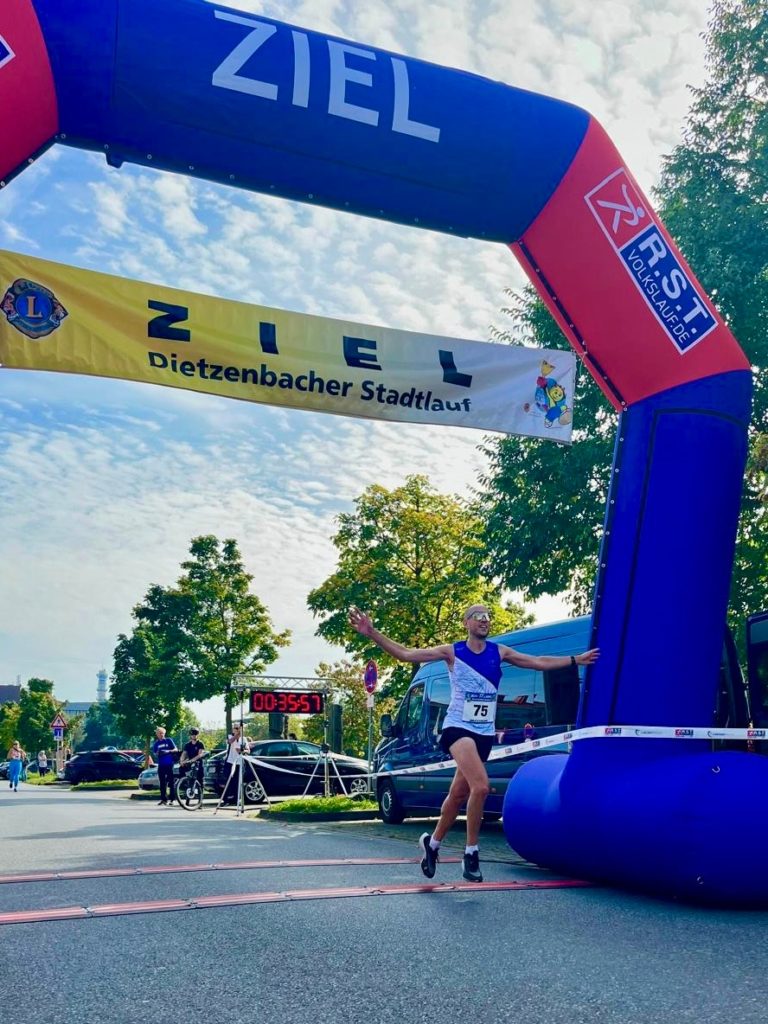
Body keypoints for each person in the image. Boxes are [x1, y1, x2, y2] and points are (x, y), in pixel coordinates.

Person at [349, 603, 599, 883]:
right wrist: (372, 633)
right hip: (457, 728)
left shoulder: (499, 652)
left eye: (487, 616)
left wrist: (576, 660)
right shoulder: (452, 652)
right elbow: (407, 654)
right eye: (478, 616)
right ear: (466, 623)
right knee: (481, 786)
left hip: (483, 734)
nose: (484, 620)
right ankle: (471, 853)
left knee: (457, 795)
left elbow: (538, 661)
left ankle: (431, 846)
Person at [222, 724, 251, 805]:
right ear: (233, 729)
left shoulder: (244, 739)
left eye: (239, 728)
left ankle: (236, 799)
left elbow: (248, 750)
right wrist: (236, 735)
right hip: (230, 762)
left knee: (238, 781)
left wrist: (243, 751)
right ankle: (226, 800)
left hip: (239, 763)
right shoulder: (230, 736)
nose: (238, 730)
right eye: (236, 728)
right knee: (228, 781)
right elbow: (230, 742)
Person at [151, 726, 177, 806]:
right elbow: (155, 753)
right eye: (159, 733)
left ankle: (172, 799)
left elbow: (175, 749)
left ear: (164, 733)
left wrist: (168, 751)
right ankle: (163, 799)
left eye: (162, 733)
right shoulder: (156, 743)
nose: (161, 735)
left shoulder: (169, 741)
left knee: (171, 782)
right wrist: (158, 753)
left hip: (169, 764)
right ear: (157, 734)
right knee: (162, 783)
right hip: (161, 765)